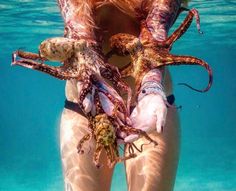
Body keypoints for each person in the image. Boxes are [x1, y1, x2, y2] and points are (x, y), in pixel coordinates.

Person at [59, 0, 183, 190]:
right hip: (86, 109)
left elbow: (155, 26)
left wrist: (151, 88)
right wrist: (90, 83)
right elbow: (79, 30)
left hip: (148, 108)